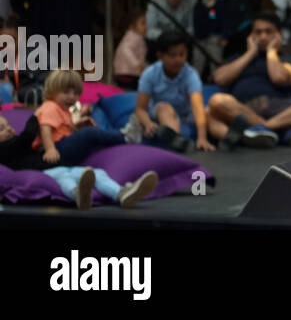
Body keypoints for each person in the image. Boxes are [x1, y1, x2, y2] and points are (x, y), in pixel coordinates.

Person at [207, 13, 291, 147]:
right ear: (250, 36)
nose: (263, 37)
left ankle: (263, 129)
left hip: (279, 109)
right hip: (243, 110)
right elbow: (219, 78)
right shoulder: (238, 58)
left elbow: (279, 78)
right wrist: (249, 54)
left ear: (279, 35)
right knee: (216, 101)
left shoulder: (289, 59)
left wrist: (271, 51)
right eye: (258, 32)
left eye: (268, 32)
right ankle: (279, 132)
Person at [0, 114, 156, 211]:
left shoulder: (16, 143)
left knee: (95, 172)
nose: (8, 129)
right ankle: (78, 195)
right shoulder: (5, 149)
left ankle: (121, 193)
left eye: (8, 125)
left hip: (58, 165)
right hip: (46, 172)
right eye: (1, 128)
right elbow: (26, 136)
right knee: (64, 178)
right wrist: (36, 118)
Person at [128, 30, 214, 152]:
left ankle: (234, 136)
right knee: (164, 107)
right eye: (173, 55)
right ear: (160, 56)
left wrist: (202, 138)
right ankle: (176, 139)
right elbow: (140, 109)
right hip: (161, 114)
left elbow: (197, 107)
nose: (178, 59)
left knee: (209, 113)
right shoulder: (150, 74)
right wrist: (147, 124)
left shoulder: (191, 74)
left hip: (186, 115)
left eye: (182, 54)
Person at [33, 70, 125, 166]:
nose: (72, 97)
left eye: (76, 93)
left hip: (60, 148)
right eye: (66, 92)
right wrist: (50, 149)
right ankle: (123, 136)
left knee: (90, 135)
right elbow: (45, 128)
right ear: (52, 91)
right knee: (89, 133)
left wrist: (78, 127)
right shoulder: (50, 106)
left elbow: (64, 130)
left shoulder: (63, 110)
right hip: (54, 148)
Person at [191, 0, 230, 77]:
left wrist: (224, 36)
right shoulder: (197, 6)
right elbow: (196, 23)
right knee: (198, 61)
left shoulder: (220, 5)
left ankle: (215, 79)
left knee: (216, 60)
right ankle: (195, 81)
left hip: (215, 38)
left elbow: (224, 21)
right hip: (200, 39)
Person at [113, 11, 148, 88]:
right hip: (127, 72)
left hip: (129, 72)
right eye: (143, 23)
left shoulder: (137, 37)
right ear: (132, 26)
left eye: (146, 23)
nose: (146, 26)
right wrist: (137, 64)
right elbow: (126, 49)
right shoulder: (132, 37)